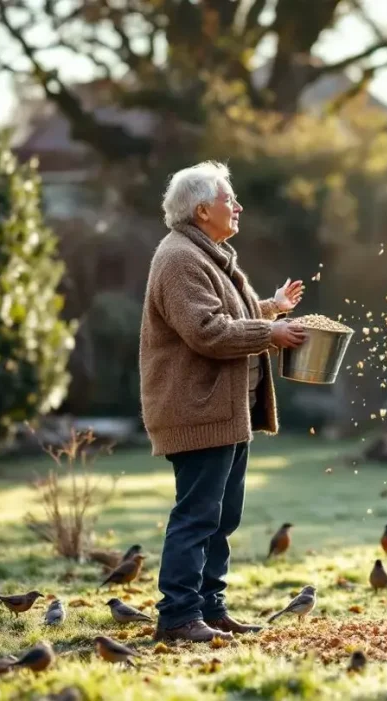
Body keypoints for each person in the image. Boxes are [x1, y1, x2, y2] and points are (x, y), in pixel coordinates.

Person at [139, 160, 306, 642]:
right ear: (200, 209)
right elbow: (207, 331)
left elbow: (229, 313)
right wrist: (270, 332)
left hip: (226, 414)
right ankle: (177, 617)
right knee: (197, 516)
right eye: (228, 198)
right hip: (197, 412)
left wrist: (271, 309)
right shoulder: (178, 258)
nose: (238, 206)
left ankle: (209, 608)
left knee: (222, 515)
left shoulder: (207, 252)